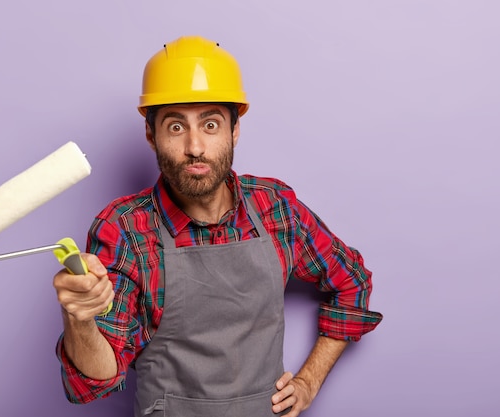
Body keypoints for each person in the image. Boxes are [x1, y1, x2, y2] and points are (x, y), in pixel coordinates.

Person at [52, 35, 383, 417]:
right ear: (151, 135)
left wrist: (309, 382)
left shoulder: (275, 208)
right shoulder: (126, 229)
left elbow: (352, 280)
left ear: (234, 131)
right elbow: (95, 382)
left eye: (210, 124)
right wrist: (79, 318)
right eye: (176, 127)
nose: (195, 146)